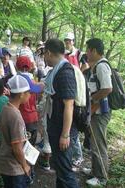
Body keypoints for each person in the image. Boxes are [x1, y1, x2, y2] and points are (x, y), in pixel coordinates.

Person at [44, 38, 79, 188]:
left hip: (62, 130)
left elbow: (69, 105)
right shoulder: (56, 71)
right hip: (56, 126)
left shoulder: (65, 72)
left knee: (65, 171)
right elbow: (45, 86)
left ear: (49, 53)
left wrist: (65, 135)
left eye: (44, 54)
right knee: (59, 166)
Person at [0, 75, 41, 188]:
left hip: (5, 163)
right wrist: (25, 165)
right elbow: (17, 148)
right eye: (28, 92)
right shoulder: (15, 116)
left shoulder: (6, 108)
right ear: (21, 94)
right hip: (14, 167)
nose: (30, 95)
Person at [85, 38, 112, 186]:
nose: (86, 53)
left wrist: (92, 99)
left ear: (94, 51)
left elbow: (107, 89)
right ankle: (95, 171)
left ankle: (101, 178)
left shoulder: (102, 66)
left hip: (101, 112)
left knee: (98, 144)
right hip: (96, 111)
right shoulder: (97, 66)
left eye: (88, 50)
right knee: (94, 142)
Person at [64, 32, 84, 171]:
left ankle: (78, 156)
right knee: (69, 126)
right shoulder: (65, 54)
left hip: (78, 92)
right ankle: (71, 154)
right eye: (66, 40)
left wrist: (77, 75)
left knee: (74, 129)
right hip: (68, 90)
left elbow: (86, 66)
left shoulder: (79, 53)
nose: (68, 43)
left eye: (69, 41)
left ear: (73, 41)